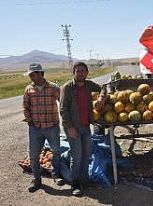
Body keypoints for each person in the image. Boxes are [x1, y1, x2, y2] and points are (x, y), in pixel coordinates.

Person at [60, 61, 106, 196]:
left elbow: (103, 87)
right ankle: (76, 184)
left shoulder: (88, 84)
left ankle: (85, 181)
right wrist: (69, 128)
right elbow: (63, 110)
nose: (80, 73)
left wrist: (102, 96)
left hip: (86, 126)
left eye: (82, 71)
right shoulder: (67, 88)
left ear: (87, 73)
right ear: (74, 73)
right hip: (73, 127)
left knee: (86, 155)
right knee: (77, 157)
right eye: (77, 71)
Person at [22, 63, 63, 193]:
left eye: (32, 74)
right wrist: (29, 120)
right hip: (35, 128)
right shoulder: (29, 89)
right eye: (30, 75)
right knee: (33, 155)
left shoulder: (53, 87)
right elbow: (25, 106)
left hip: (52, 126)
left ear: (41, 73)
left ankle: (55, 174)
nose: (31, 77)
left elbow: (62, 103)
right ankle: (37, 180)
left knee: (56, 151)